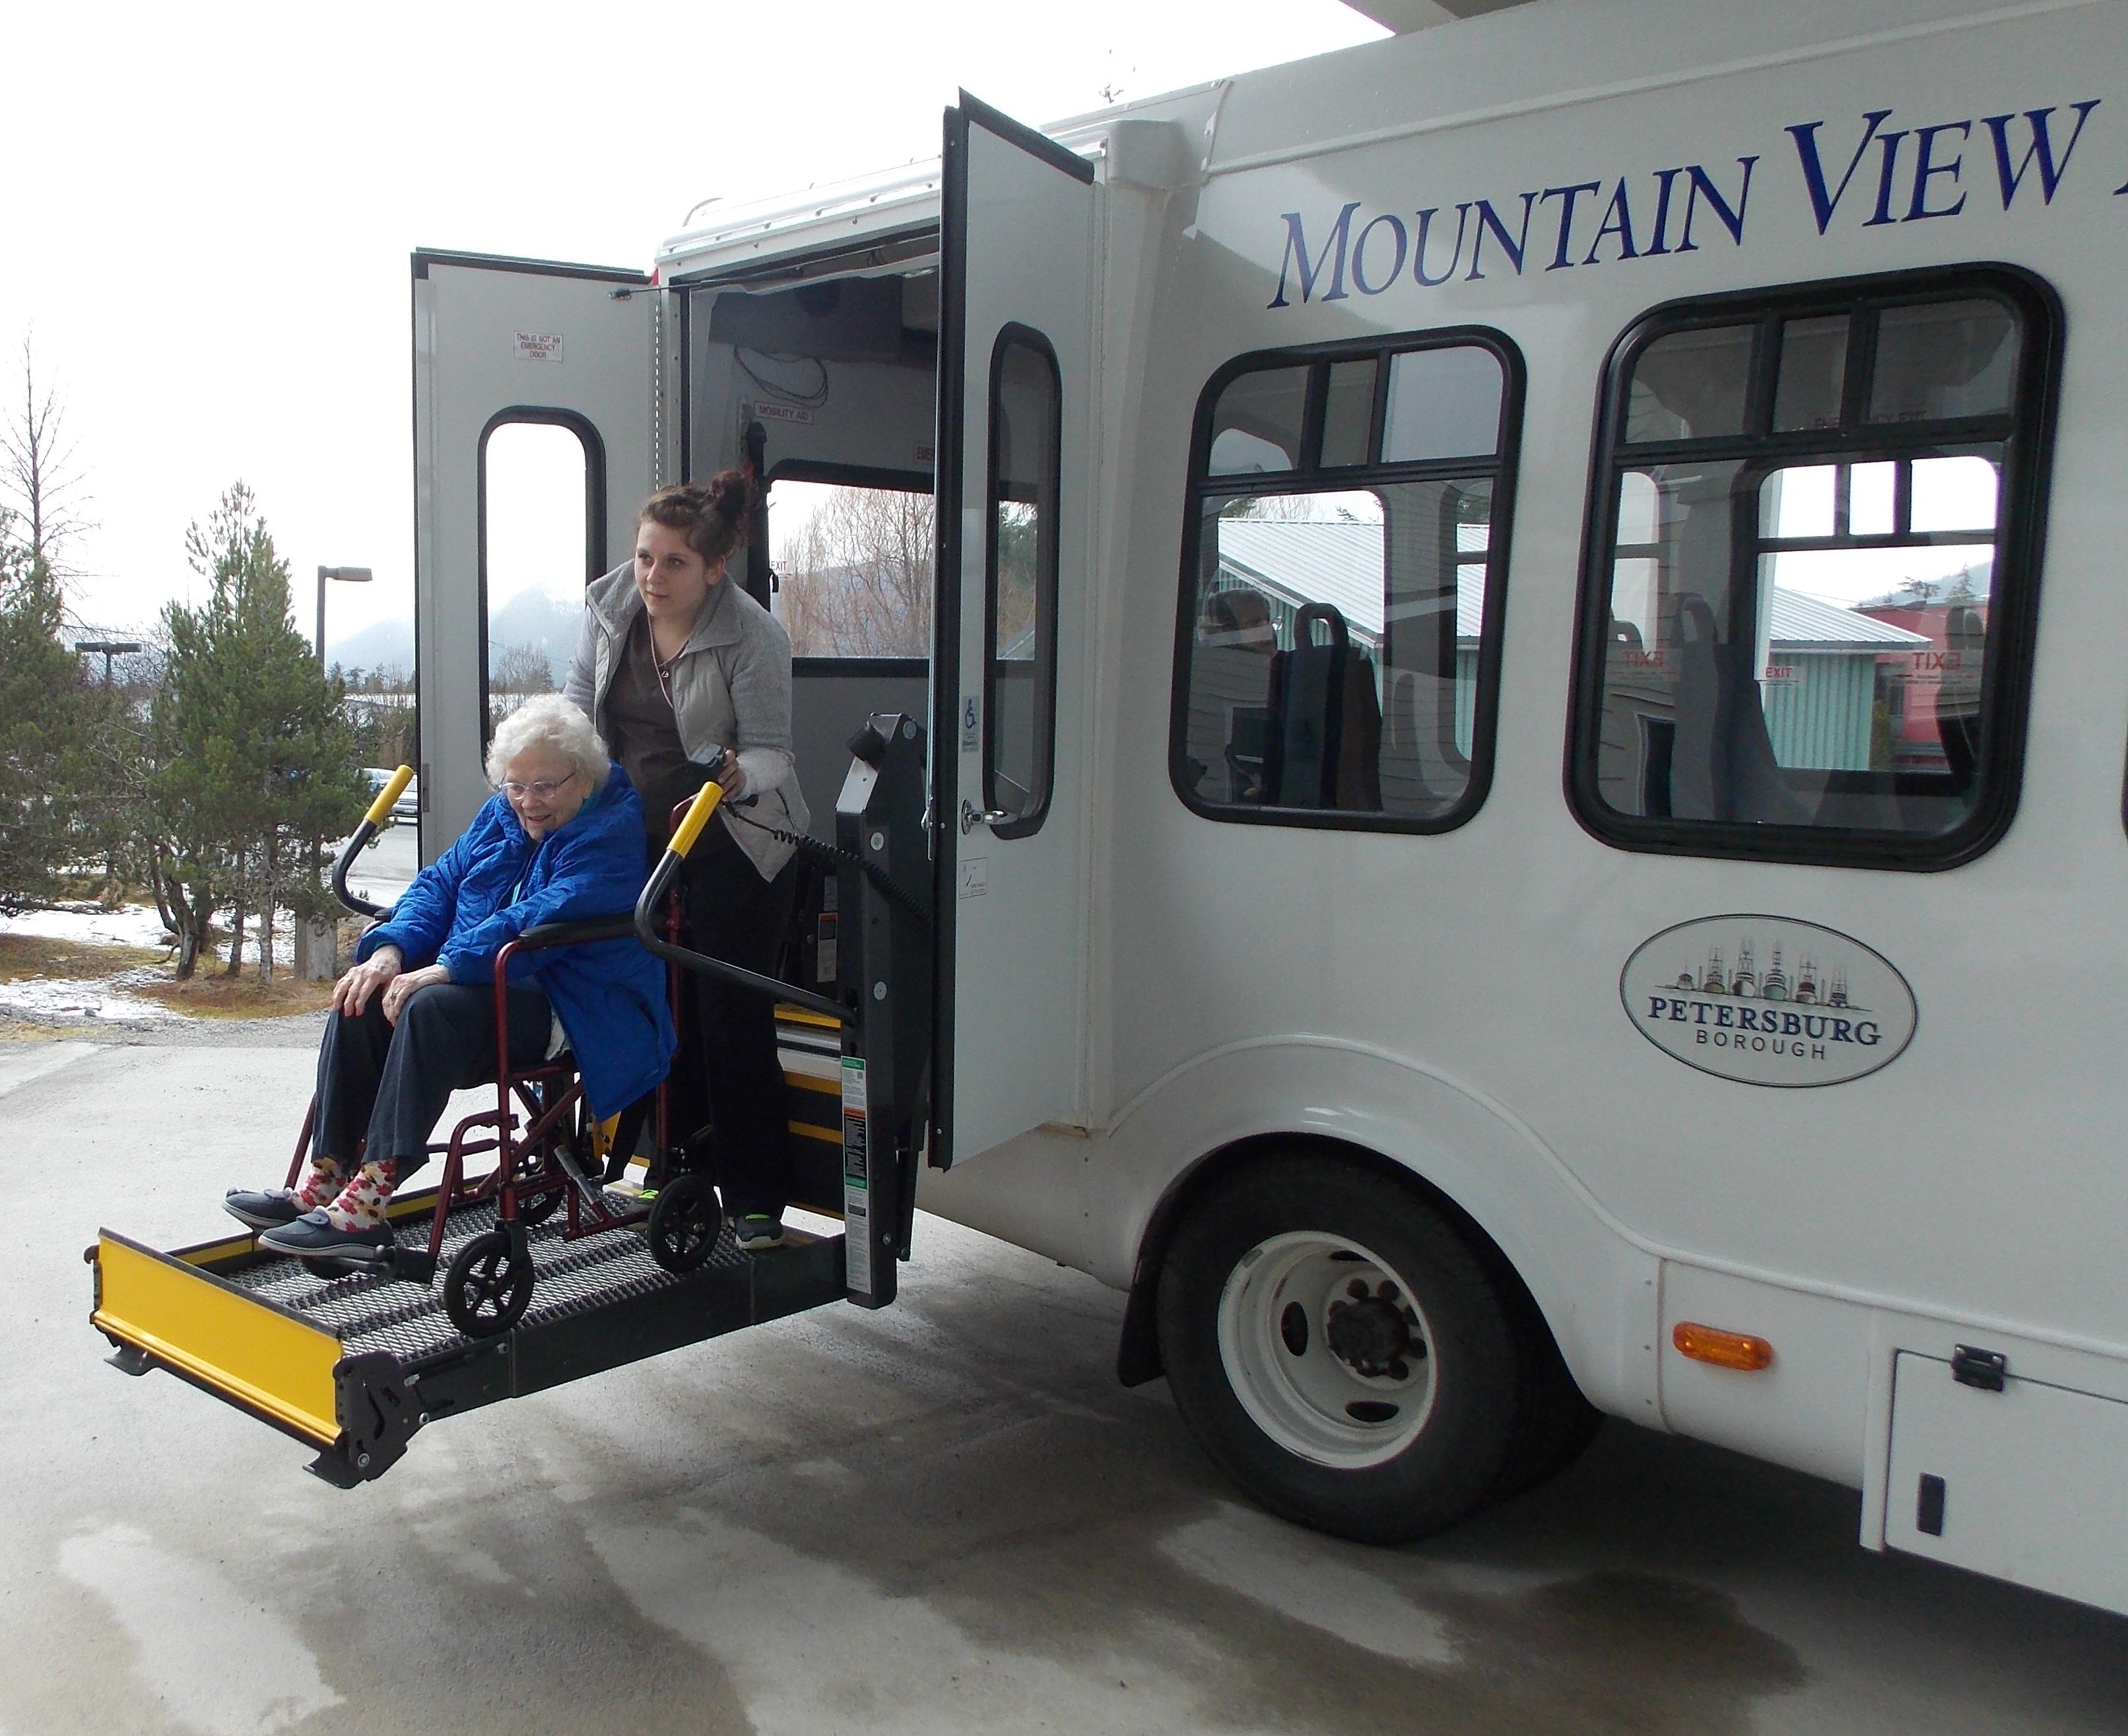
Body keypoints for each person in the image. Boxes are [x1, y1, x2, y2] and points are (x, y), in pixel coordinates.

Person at [223, 696, 675, 1257]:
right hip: (491, 982)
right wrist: (390, 953)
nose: (528, 803)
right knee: (359, 996)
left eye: (545, 787)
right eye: (515, 786)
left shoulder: (611, 829)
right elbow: (437, 885)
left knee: (428, 1009)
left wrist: (446, 966)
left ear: (584, 779)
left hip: (572, 1003)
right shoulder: (501, 815)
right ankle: (327, 1175)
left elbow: (543, 914)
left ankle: (369, 1201)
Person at [565, 469, 807, 1252]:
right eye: (644, 558)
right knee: (654, 1005)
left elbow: (774, 752)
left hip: (734, 838)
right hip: (642, 835)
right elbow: (577, 709)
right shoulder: (609, 612)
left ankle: (754, 1194)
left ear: (712, 569)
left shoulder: (752, 634)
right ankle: (669, 1168)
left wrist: (739, 771)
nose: (651, 576)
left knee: (728, 1018)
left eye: (673, 563)